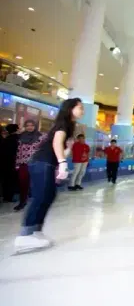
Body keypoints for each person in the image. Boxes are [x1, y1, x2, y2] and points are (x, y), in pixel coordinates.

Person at [14, 98, 84, 253]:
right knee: (40, 196)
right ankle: (25, 235)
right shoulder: (63, 123)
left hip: (47, 163)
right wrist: (63, 162)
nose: (82, 110)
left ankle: (36, 230)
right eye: (79, 107)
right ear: (70, 108)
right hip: (41, 162)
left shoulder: (70, 126)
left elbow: (62, 146)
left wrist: (66, 151)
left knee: (49, 195)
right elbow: (56, 143)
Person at [14, 120, 43, 211]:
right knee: (23, 183)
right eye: (27, 125)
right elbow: (19, 151)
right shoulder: (21, 137)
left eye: (32, 125)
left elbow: (43, 151)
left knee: (36, 184)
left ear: (35, 126)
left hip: (35, 164)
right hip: (23, 164)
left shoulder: (40, 137)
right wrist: (17, 164)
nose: (29, 127)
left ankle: (38, 202)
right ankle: (22, 202)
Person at [0, 123, 19, 204]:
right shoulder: (17, 139)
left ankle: (5, 196)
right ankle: (9, 197)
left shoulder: (6, 139)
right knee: (11, 180)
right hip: (13, 162)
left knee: (5, 180)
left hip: (4, 162)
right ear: (16, 129)